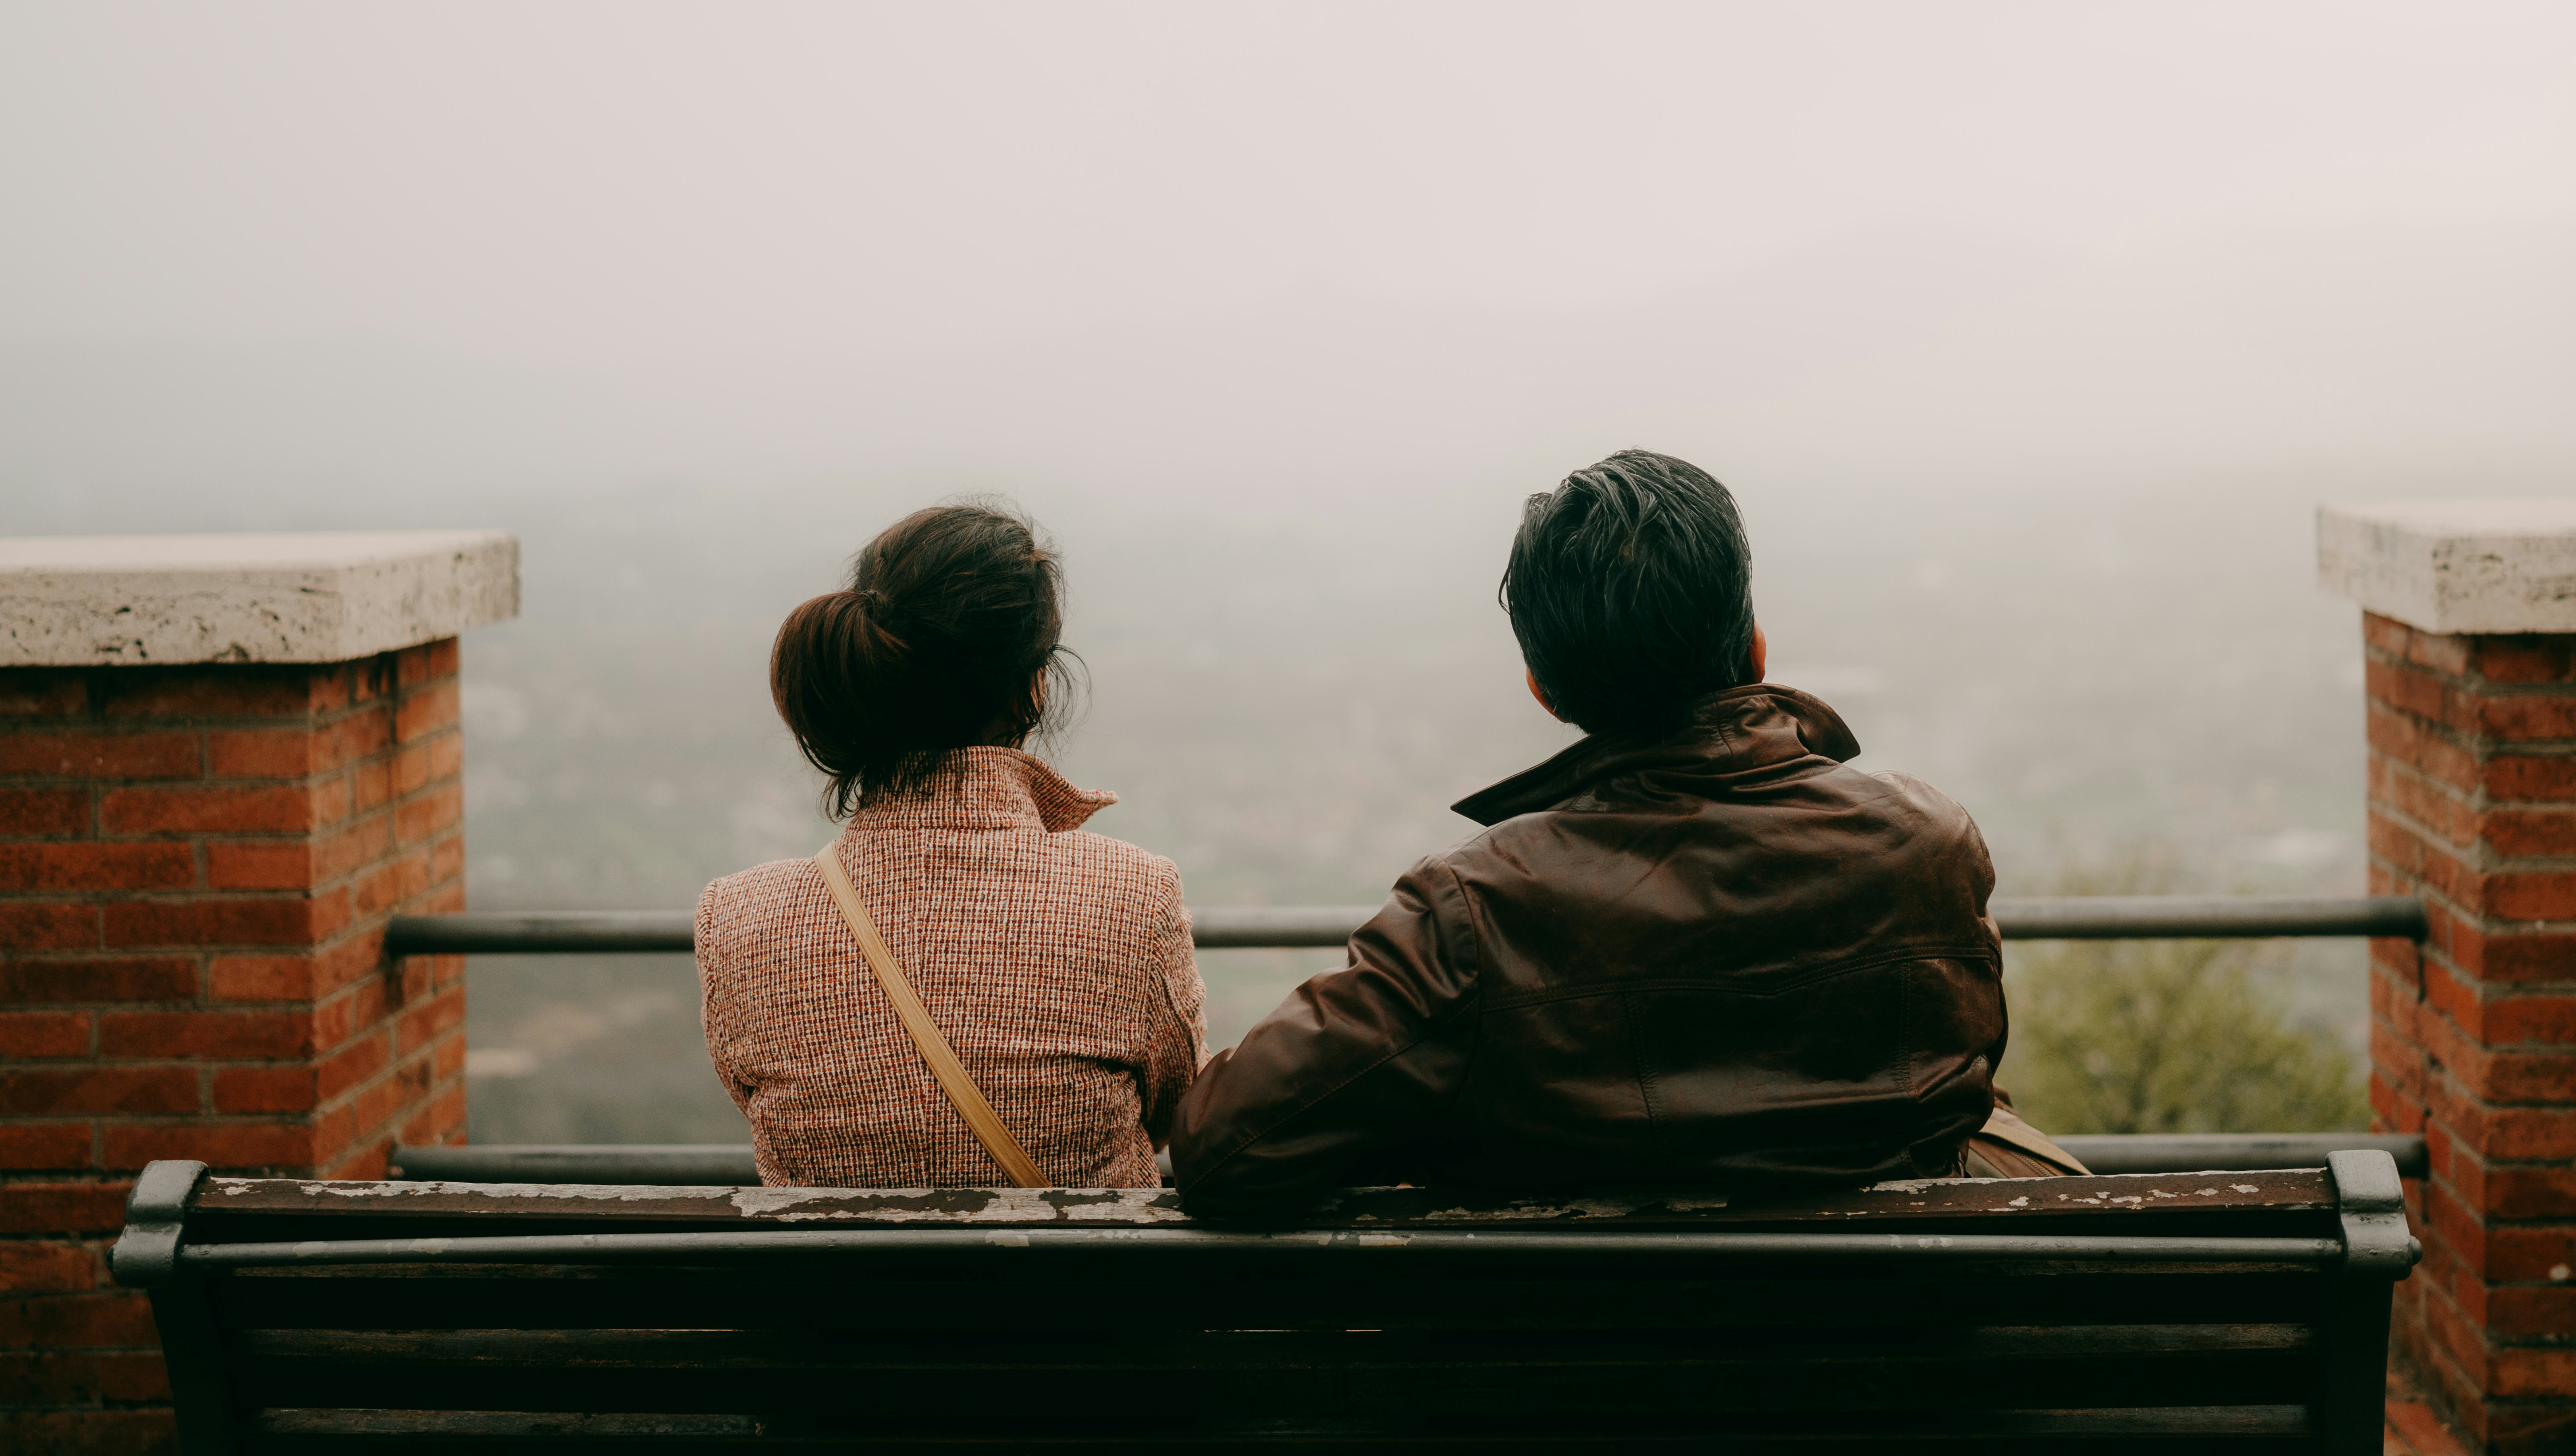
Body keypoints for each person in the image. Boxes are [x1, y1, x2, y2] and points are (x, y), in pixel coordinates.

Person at [1170, 448, 2081, 1212]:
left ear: (1546, 690)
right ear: (1754, 646)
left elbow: (1222, 1149)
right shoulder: (1927, 843)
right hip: (1902, 1386)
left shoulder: (1471, 911)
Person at [695, 501, 1205, 1187]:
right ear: (1035, 686)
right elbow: (1171, 1110)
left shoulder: (737, 917)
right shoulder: (1134, 892)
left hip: (821, 1295)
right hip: (1084, 1291)